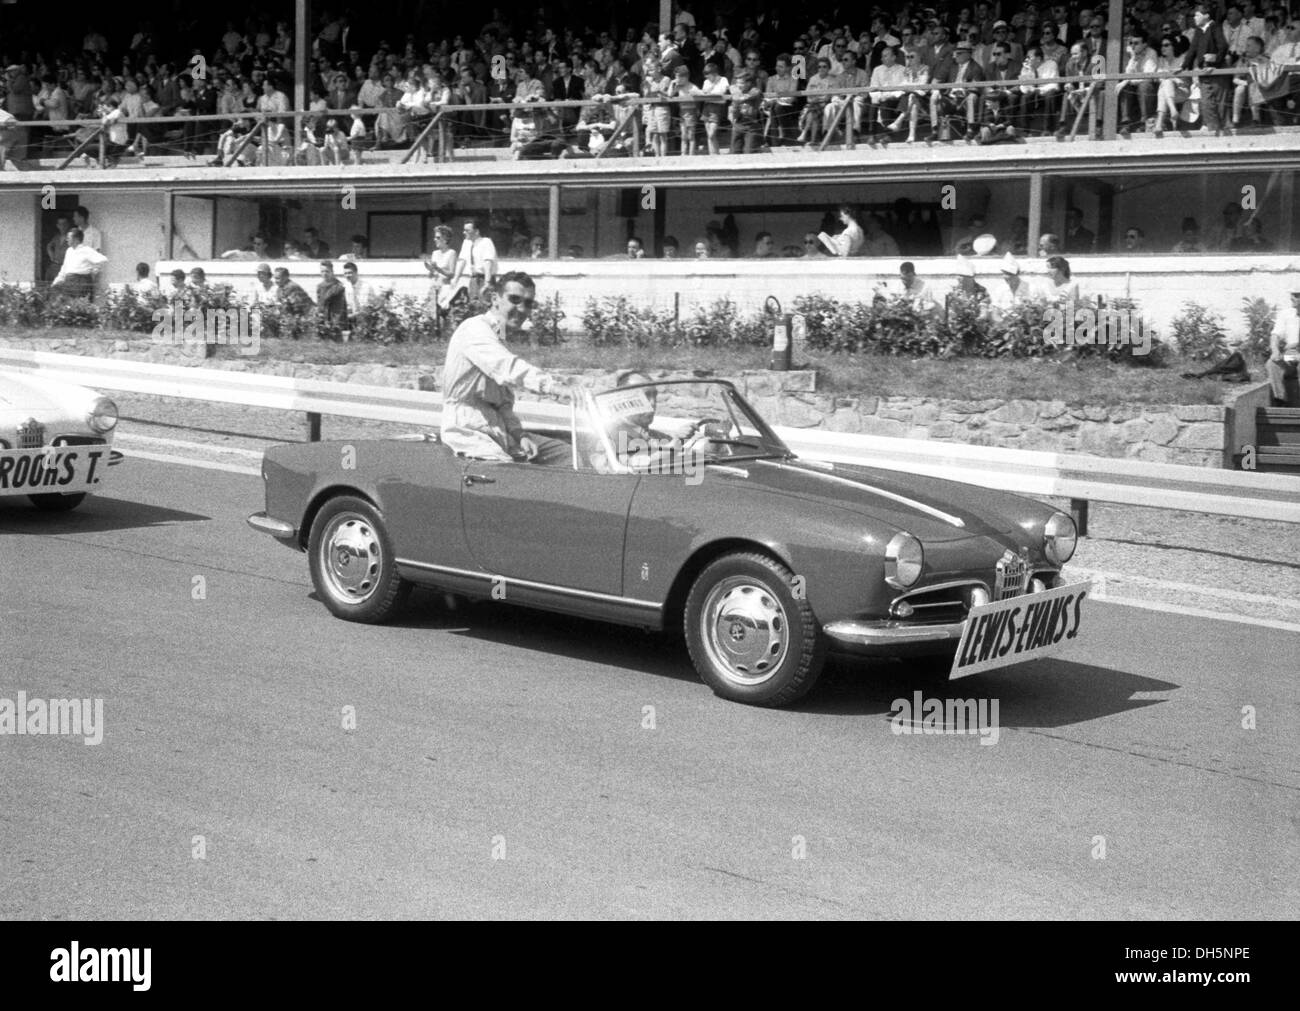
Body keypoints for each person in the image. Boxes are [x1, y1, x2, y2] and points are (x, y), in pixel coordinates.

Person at [440, 270, 570, 464]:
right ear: (495, 299)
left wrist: (520, 434)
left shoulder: (499, 339)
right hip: (468, 432)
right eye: (515, 299)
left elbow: (502, 404)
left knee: (569, 454)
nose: (522, 308)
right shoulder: (474, 329)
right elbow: (508, 368)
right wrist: (554, 386)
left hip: (498, 430)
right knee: (511, 479)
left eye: (528, 303)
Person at [450, 218, 497, 304]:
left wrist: (487, 283)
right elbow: (462, 261)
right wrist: (455, 279)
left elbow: (488, 263)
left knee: (486, 305)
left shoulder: (486, 242)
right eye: (464, 230)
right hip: (473, 280)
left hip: (485, 279)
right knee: (473, 306)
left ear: (476, 231)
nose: (464, 232)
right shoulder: (466, 243)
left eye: (467, 230)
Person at [51, 227, 107, 299]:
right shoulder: (69, 251)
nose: (66, 239)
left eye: (69, 238)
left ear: (76, 239)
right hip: (69, 281)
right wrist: (57, 281)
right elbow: (64, 268)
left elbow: (103, 260)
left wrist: (94, 270)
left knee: (82, 305)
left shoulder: (86, 250)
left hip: (82, 282)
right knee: (68, 306)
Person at [1266, 290, 1300, 405]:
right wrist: (1275, 351)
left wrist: (1295, 344)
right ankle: (1280, 399)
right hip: (1291, 354)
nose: (1292, 298)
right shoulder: (1286, 314)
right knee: (1272, 363)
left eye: (1296, 295)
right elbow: (1275, 335)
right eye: (1293, 295)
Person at [316, 261, 347, 326]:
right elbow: (319, 304)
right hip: (323, 321)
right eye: (322, 271)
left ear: (332, 272)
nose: (324, 273)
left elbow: (326, 299)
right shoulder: (320, 287)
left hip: (336, 321)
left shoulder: (338, 286)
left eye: (327, 271)